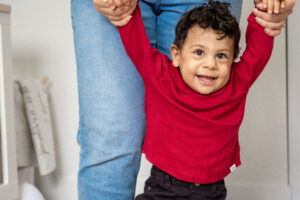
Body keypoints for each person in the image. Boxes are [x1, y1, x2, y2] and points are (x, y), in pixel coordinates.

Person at [70, 0, 294, 199]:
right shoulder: (162, 77)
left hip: (212, 191)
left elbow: (257, 52)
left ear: (233, 58)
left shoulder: (237, 83)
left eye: (221, 55)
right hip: (162, 189)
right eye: (199, 52)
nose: (210, 64)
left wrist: (266, 11)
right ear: (176, 55)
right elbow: (137, 45)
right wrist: (123, 12)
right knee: (108, 145)